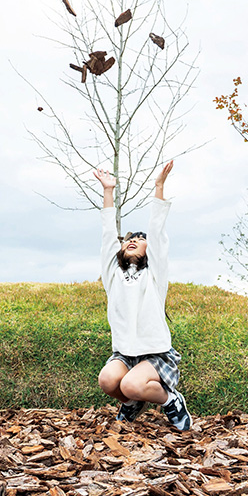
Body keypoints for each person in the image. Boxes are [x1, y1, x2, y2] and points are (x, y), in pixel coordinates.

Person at [94, 161, 192, 431]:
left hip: (155, 355)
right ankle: (132, 403)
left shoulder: (154, 275)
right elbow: (106, 236)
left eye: (140, 238)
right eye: (129, 238)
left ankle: (171, 400)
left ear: (150, 250)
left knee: (132, 384)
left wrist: (159, 186)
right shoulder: (113, 273)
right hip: (125, 354)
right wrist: (108, 192)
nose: (133, 240)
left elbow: (158, 233)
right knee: (107, 380)